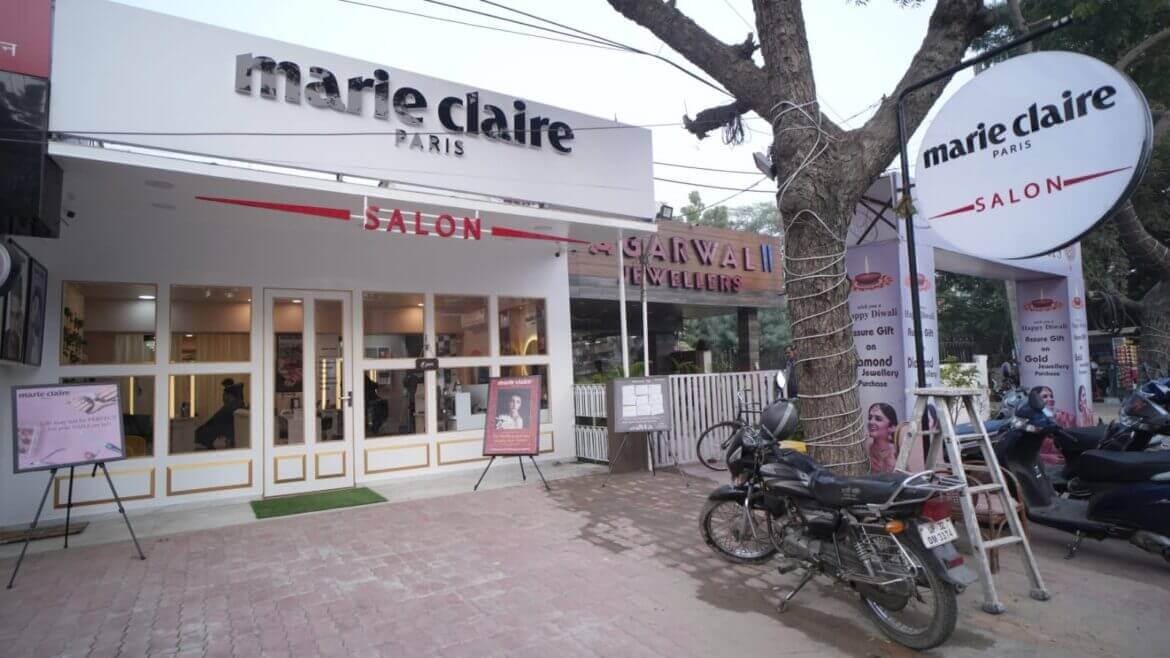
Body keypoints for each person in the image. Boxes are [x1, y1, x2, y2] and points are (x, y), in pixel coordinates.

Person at [195, 379, 246, 450]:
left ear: (229, 396)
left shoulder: (231, 406)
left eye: (224, 395)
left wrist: (206, 424)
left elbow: (216, 418)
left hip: (226, 427)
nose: (223, 397)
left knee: (202, 431)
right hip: (228, 426)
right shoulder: (238, 404)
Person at [867, 402, 899, 473]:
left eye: (878, 419)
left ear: (892, 427)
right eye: (870, 418)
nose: (871, 422)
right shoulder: (864, 451)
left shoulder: (898, 454)